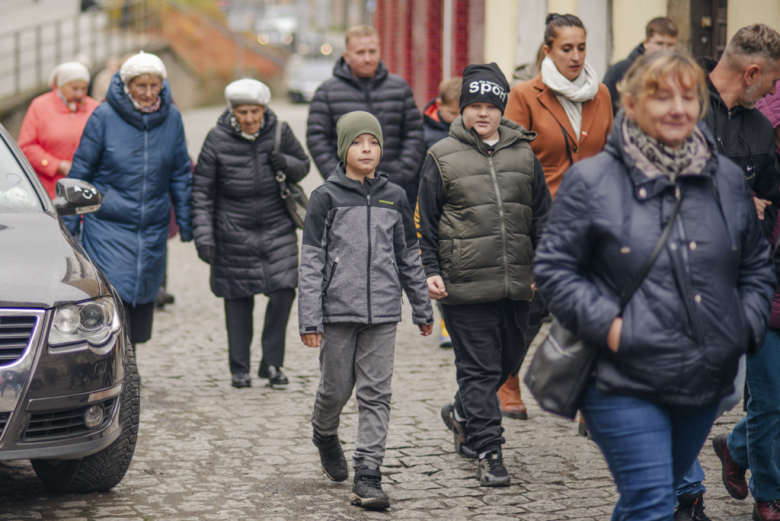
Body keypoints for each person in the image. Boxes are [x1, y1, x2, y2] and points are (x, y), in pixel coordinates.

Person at [533, 50, 775, 521]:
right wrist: (613, 329)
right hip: (619, 374)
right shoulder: (593, 180)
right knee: (650, 498)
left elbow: (755, 266)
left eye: (688, 96)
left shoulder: (725, 179)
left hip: (703, 374)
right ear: (632, 102)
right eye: (662, 96)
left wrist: (741, 330)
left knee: (654, 493)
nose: (678, 108)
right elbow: (555, 270)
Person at [417, 63, 552, 485]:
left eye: (490, 105)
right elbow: (425, 221)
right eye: (474, 105)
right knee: (478, 370)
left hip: (517, 285)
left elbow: (544, 218)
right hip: (464, 284)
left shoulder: (524, 154)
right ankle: (489, 451)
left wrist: (544, 266)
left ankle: (461, 412)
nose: (482, 113)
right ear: (462, 109)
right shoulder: (441, 155)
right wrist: (429, 269)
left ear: (501, 108)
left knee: (504, 363)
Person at [299, 111, 433, 510]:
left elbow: (408, 256)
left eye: (373, 142)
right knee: (335, 391)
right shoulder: (325, 198)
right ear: (344, 149)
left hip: (384, 314)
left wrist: (422, 307)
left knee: (376, 394)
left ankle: (368, 473)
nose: (367, 149)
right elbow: (311, 262)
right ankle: (324, 433)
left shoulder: (396, 196)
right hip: (337, 312)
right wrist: (310, 318)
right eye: (358, 142)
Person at [502, 13, 613, 423]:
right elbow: (511, 162)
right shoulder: (525, 95)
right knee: (532, 310)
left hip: (593, 223)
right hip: (542, 222)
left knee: (590, 312)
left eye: (581, 47)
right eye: (566, 48)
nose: (576, 56)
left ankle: (587, 395)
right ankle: (507, 380)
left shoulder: (601, 93)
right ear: (548, 51)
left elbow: (611, 155)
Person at [66, 52, 192, 355]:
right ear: (127, 86)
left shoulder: (172, 118)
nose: (148, 93)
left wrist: (187, 222)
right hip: (108, 223)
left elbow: (180, 173)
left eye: (154, 86)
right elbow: (80, 173)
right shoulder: (103, 117)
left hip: (151, 227)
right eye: (141, 86)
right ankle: (114, 366)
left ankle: (128, 364)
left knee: (142, 300)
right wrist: (68, 228)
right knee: (112, 299)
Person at [192, 79, 310, 389]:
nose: (248, 118)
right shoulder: (217, 139)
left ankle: (271, 364)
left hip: (277, 228)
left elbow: (303, 166)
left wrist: (285, 162)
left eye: (254, 111)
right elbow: (202, 192)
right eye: (242, 112)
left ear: (264, 110)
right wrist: (204, 236)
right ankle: (239, 367)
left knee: (284, 292)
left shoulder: (280, 132)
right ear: (232, 111)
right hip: (232, 231)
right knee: (238, 298)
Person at [708, 67, 780, 521]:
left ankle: (735, 447)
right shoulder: (756, 150)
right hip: (764, 297)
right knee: (769, 402)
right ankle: (769, 495)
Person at [306, 24, 424, 203]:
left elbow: (414, 133)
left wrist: (401, 174)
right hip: (344, 195)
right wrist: (340, 179)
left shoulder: (399, 88)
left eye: (372, 51)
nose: (367, 58)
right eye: (360, 52)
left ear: (379, 52)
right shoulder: (326, 92)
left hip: (393, 190)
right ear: (347, 56)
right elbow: (317, 139)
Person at [698, 24, 780, 236]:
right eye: (773, 81)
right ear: (751, 74)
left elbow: (769, 205)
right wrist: (738, 203)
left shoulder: (763, 128)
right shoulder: (680, 113)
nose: (773, 91)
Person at [418, 77, 462, 348]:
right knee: (438, 266)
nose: (457, 119)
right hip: (433, 209)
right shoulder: (426, 134)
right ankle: (445, 322)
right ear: (439, 106)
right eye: (452, 113)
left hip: (459, 209)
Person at [18, 62, 99, 199]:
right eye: (74, 88)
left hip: (86, 187)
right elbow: (26, 146)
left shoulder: (95, 108)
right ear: (61, 85)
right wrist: (56, 165)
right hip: (47, 189)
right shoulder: (39, 106)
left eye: (84, 88)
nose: (80, 94)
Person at [603, 17, 678, 115]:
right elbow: (603, 110)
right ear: (646, 43)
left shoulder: (679, 73)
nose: (665, 50)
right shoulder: (621, 70)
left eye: (670, 45)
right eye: (659, 43)